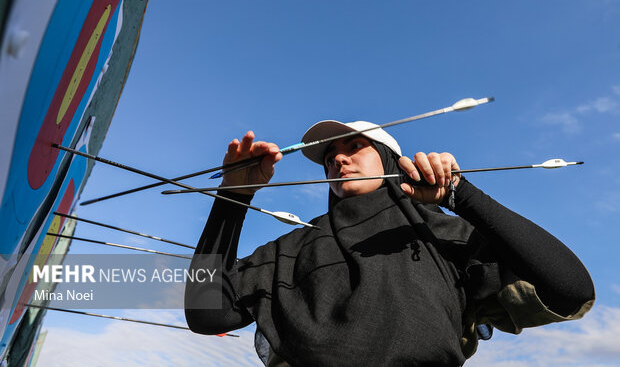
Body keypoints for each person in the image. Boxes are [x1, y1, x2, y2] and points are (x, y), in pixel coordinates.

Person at [185, 121, 595, 367]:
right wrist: (231, 197)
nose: (338, 160)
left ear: (386, 157)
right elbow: (206, 313)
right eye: (330, 157)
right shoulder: (293, 247)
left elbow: (571, 291)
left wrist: (461, 195)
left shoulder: (440, 233)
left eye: (353, 147)